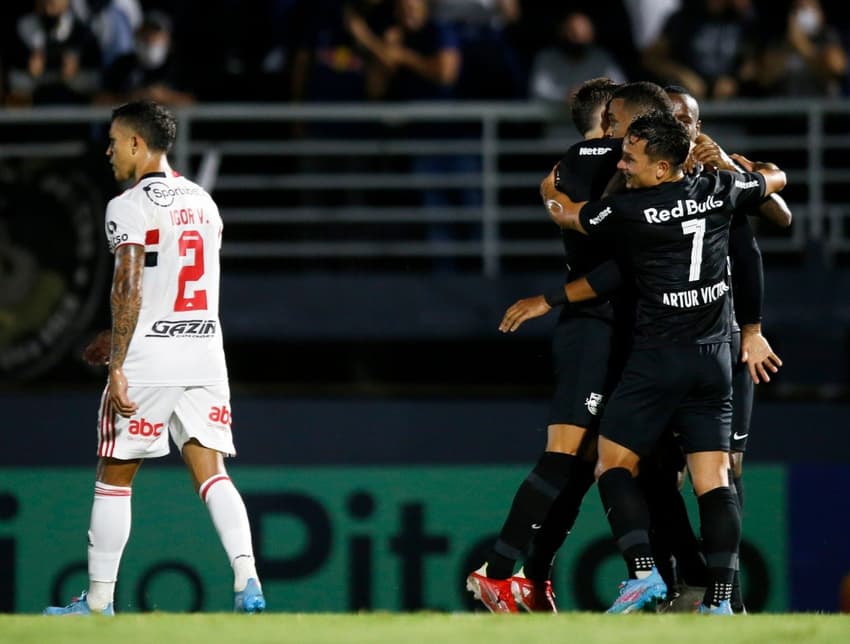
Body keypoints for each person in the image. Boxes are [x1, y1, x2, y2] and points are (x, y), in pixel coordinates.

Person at [541, 110, 786, 614]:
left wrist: (551, 187)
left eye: (631, 158)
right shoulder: (720, 188)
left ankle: (643, 573)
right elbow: (775, 180)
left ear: (661, 168)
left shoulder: (629, 211)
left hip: (657, 360)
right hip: (714, 361)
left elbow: (569, 215)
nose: (623, 166)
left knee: (611, 465)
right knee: (714, 480)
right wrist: (743, 168)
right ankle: (720, 602)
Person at [43, 100, 265, 616]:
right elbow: (182, 284)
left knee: (114, 474)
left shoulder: (128, 205)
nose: (109, 151)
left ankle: (98, 602)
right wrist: (115, 335)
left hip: (149, 358)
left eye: (115, 141)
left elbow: (130, 284)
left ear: (138, 145)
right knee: (212, 473)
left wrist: (117, 361)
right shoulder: (205, 203)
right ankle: (247, 579)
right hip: (206, 351)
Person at [466, 80, 674, 614]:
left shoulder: (569, 170)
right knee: (567, 455)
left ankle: (533, 578)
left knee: (586, 465)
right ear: (611, 119)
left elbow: (562, 197)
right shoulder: (605, 158)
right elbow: (620, 261)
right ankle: (498, 571)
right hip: (594, 325)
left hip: (619, 326)